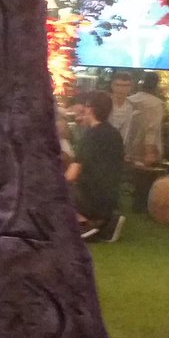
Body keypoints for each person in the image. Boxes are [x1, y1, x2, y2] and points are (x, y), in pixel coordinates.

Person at [65, 90, 125, 242]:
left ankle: (84, 224)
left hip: (90, 199)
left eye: (83, 109)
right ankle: (105, 224)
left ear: (90, 110)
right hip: (111, 199)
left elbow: (72, 174)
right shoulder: (114, 134)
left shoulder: (89, 137)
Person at [128, 71, 165, 165]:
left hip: (126, 151)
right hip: (144, 154)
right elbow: (151, 130)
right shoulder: (155, 104)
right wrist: (150, 154)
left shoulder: (129, 100)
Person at [108, 71, 137, 153]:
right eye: (118, 85)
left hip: (123, 150)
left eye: (125, 86)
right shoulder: (105, 104)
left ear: (130, 87)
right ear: (112, 86)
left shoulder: (133, 107)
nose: (121, 89)